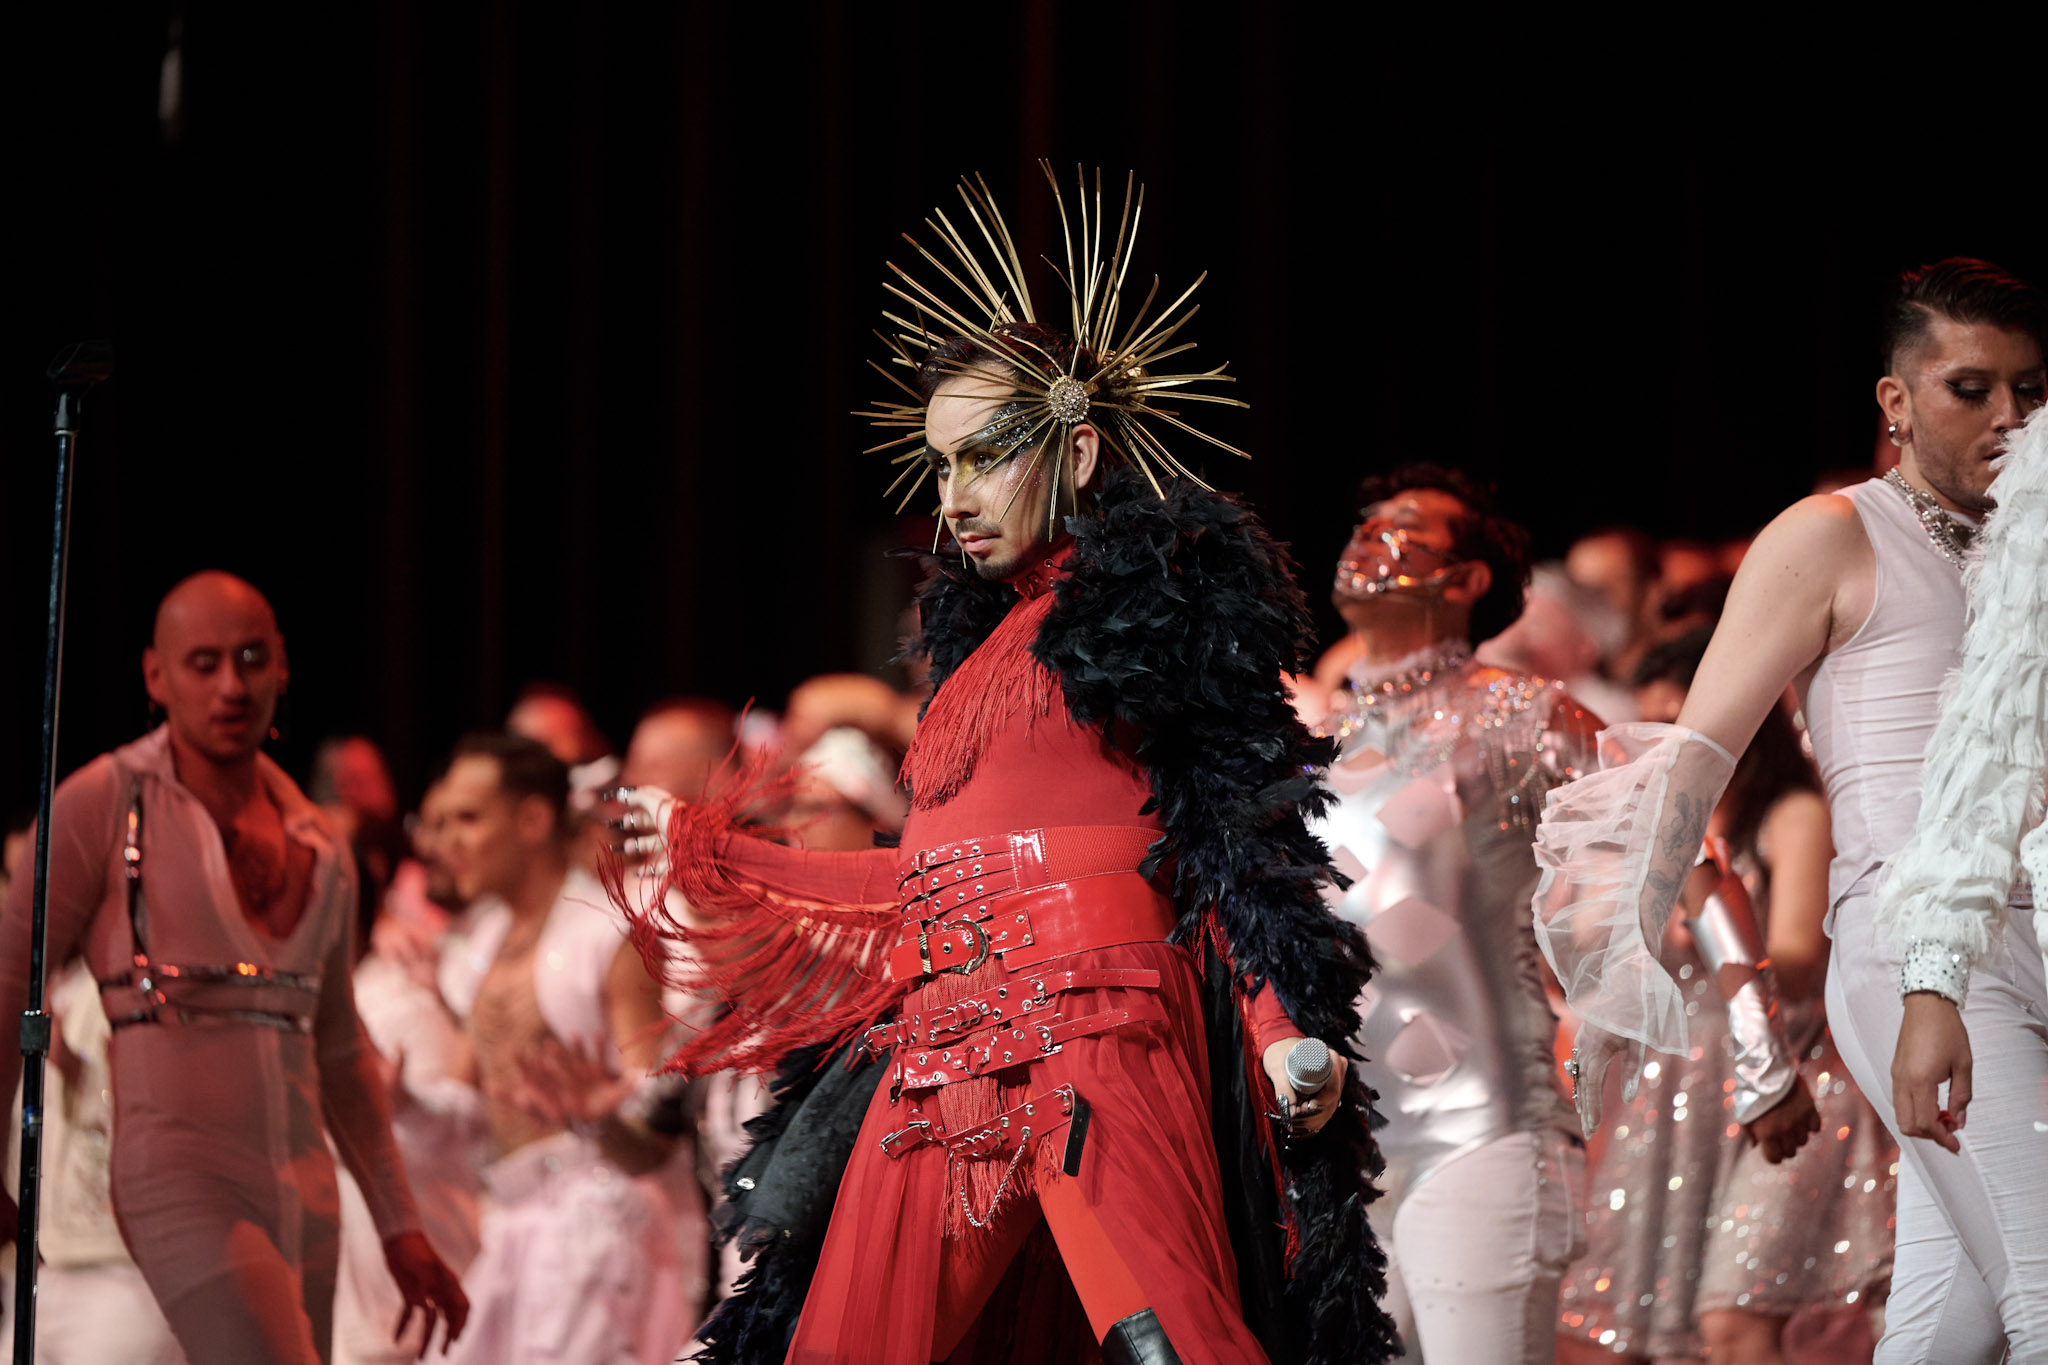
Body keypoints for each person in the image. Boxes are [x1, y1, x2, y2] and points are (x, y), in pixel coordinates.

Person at [612, 165, 1392, 1365]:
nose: (951, 498)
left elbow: (1232, 824)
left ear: (1076, 451)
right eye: (938, 467)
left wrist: (1281, 1018)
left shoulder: (1162, 590)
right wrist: (712, 851)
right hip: (936, 1054)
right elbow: (925, 882)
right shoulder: (970, 656)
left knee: (1173, 1344)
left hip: (1096, 1031)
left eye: (982, 458)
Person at [1533, 257, 2048, 1361]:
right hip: (1919, 955)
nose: (2007, 416)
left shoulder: (2032, 554)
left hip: (2036, 935)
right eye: (1971, 387)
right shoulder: (1830, 537)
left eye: (2030, 390)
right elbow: (1695, 759)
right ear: (1895, 403)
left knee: (1950, 1324)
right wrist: (1616, 966)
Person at [0, 570, 466, 1363]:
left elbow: (343, 1050)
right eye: (203, 662)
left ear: (281, 666)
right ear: (156, 675)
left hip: (304, 1187)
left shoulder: (321, 843)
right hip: (179, 1173)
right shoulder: (106, 802)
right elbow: (11, 980)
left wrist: (400, 1224)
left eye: (251, 658)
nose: (231, 684)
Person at [1300, 465, 1597, 1362]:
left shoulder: (1523, 712)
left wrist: (1750, 1039)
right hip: (1343, 1144)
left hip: (1485, 1121)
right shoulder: (1316, 740)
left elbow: (1681, 844)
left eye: (1403, 530)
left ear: (1465, 580)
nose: (1365, 540)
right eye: (1363, 522)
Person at [1558, 629, 1893, 1364]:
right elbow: (1584, 942)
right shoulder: (1665, 828)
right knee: (1642, 1325)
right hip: (1681, 1084)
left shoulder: (1789, 811)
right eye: (1653, 724)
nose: (1668, 744)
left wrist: (1706, 923)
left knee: (1737, 1317)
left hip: (1791, 1063)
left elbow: (1800, 958)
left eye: (1682, 718)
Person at [433, 734, 691, 1365]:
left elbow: (652, 1133)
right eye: (441, 823)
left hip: (595, 1233)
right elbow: (471, 1101)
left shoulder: (606, 937)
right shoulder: (479, 947)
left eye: (468, 818)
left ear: (532, 819)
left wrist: (599, 1116)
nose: (448, 843)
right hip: (512, 1221)